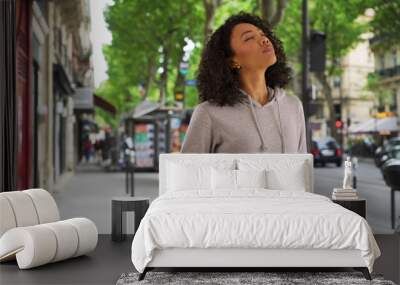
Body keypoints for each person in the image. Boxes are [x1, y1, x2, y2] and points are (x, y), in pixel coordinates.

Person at [180, 12, 307, 154]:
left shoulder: (293, 106)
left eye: (263, 34)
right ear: (232, 61)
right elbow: (189, 173)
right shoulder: (209, 113)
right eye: (249, 38)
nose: (264, 40)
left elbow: (303, 169)